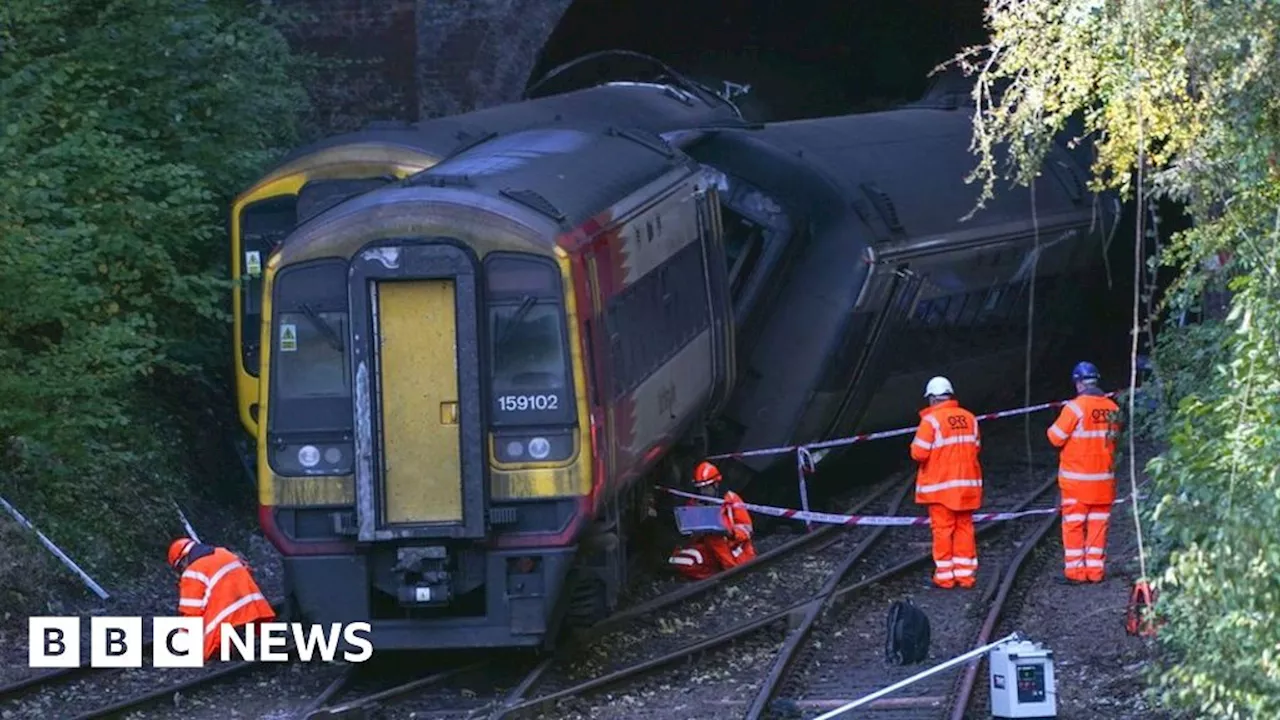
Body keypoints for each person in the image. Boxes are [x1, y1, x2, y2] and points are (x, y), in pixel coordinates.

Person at [1047, 361, 1121, 584]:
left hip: (1077, 483)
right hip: (1104, 482)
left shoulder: (1075, 408)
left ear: (1078, 384)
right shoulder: (1113, 409)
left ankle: (1076, 573)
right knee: (1099, 526)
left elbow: (1055, 437)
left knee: (1074, 526)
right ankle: (1095, 572)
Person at [910, 376, 983, 589]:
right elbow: (976, 446)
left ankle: (945, 577)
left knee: (943, 531)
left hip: (940, 488)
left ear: (932, 399)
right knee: (965, 529)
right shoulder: (970, 418)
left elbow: (919, 453)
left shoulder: (931, 421)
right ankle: (965, 575)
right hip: (967, 486)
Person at [168, 537, 276, 661]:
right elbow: (247, 570)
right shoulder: (223, 552)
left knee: (209, 644)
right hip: (254, 607)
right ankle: (268, 637)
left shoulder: (192, 572)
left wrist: (183, 638)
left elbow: (192, 612)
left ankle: (234, 645)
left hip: (228, 620)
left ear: (182, 561)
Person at [667, 461, 756, 580]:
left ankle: (731, 573)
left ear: (716, 484)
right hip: (708, 550)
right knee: (679, 559)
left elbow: (747, 530)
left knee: (715, 539)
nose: (704, 492)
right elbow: (689, 533)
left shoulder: (731, 500)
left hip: (733, 548)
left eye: (707, 487)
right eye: (701, 488)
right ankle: (715, 577)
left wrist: (729, 532)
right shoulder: (694, 503)